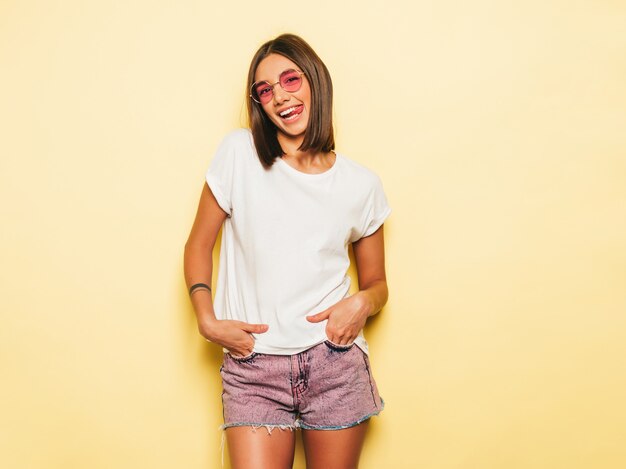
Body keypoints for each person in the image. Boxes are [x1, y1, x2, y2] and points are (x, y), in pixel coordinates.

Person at [184, 33, 391, 469]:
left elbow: (377, 285)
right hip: (254, 366)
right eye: (265, 90)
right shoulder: (239, 153)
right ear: (259, 103)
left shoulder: (361, 184)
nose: (280, 96)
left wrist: (361, 304)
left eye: (290, 80)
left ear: (314, 80)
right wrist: (206, 319)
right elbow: (199, 244)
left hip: (334, 361)